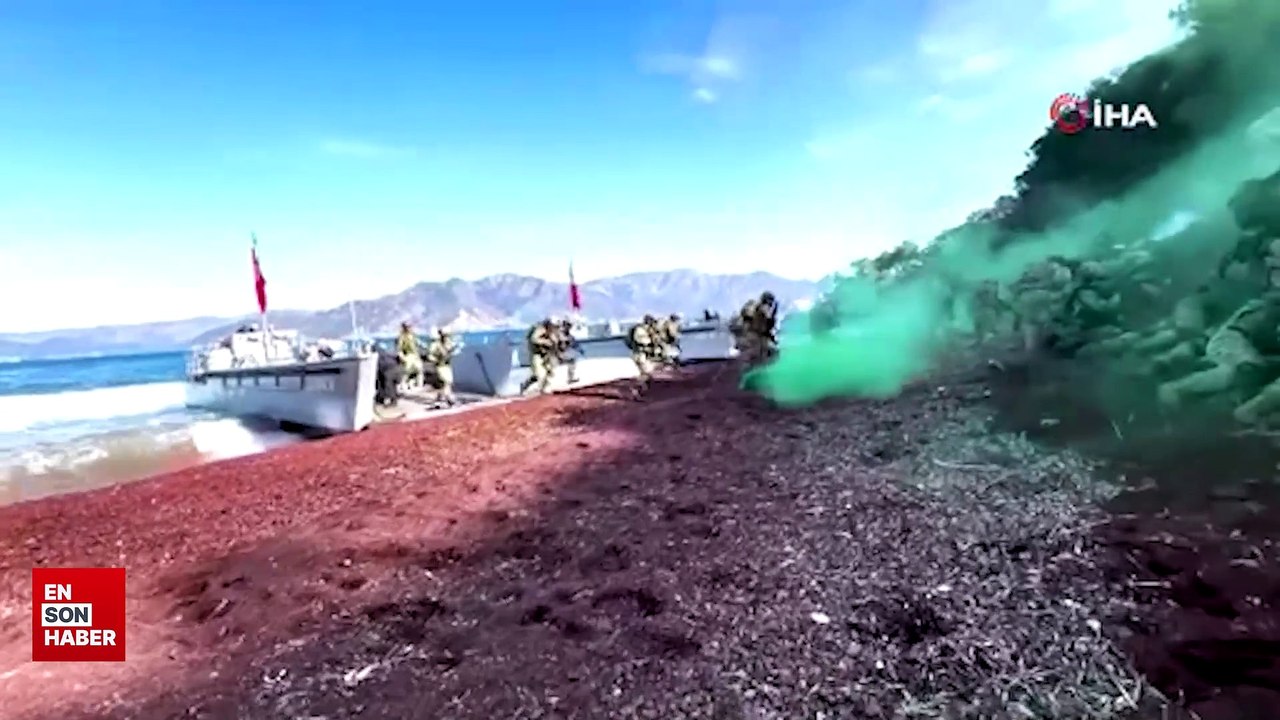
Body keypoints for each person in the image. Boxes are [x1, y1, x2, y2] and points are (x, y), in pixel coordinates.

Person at [519, 319, 559, 395]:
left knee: (550, 371)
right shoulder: (540, 329)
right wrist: (545, 342)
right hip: (536, 354)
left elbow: (555, 342)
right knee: (539, 374)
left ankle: (544, 387)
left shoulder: (552, 331)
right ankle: (525, 386)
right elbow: (534, 339)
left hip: (546, 353)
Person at [625, 315, 661, 399]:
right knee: (645, 374)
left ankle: (642, 391)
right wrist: (651, 340)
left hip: (644, 355)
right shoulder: (640, 330)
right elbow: (641, 341)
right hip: (639, 355)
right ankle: (636, 390)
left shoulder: (647, 330)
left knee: (648, 374)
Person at [424, 328, 459, 407]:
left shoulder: (448, 343)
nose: (446, 337)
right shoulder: (435, 345)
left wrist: (452, 352)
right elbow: (430, 355)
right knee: (446, 381)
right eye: (445, 336)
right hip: (440, 366)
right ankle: (449, 398)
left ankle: (440, 397)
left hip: (447, 365)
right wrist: (436, 360)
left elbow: (450, 351)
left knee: (448, 382)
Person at [397, 321, 423, 389]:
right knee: (407, 371)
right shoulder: (402, 337)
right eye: (408, 327)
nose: (409, 328)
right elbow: (399, 348)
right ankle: (403, 383)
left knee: (419, 369)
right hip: (408, 355)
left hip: (415, 355)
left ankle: (418, 384)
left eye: (410, 326)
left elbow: (418, 343)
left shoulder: (413, 335)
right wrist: (402, 356)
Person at [556, 319, 582, 384]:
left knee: (572, 361)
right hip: (556, 355)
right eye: (567, 325)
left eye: (569, 326)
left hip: (562, 354)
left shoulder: (570, 336)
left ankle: (571, 379)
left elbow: (574, 344)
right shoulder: (559, 334)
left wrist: (580, 349)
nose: (569, 327)